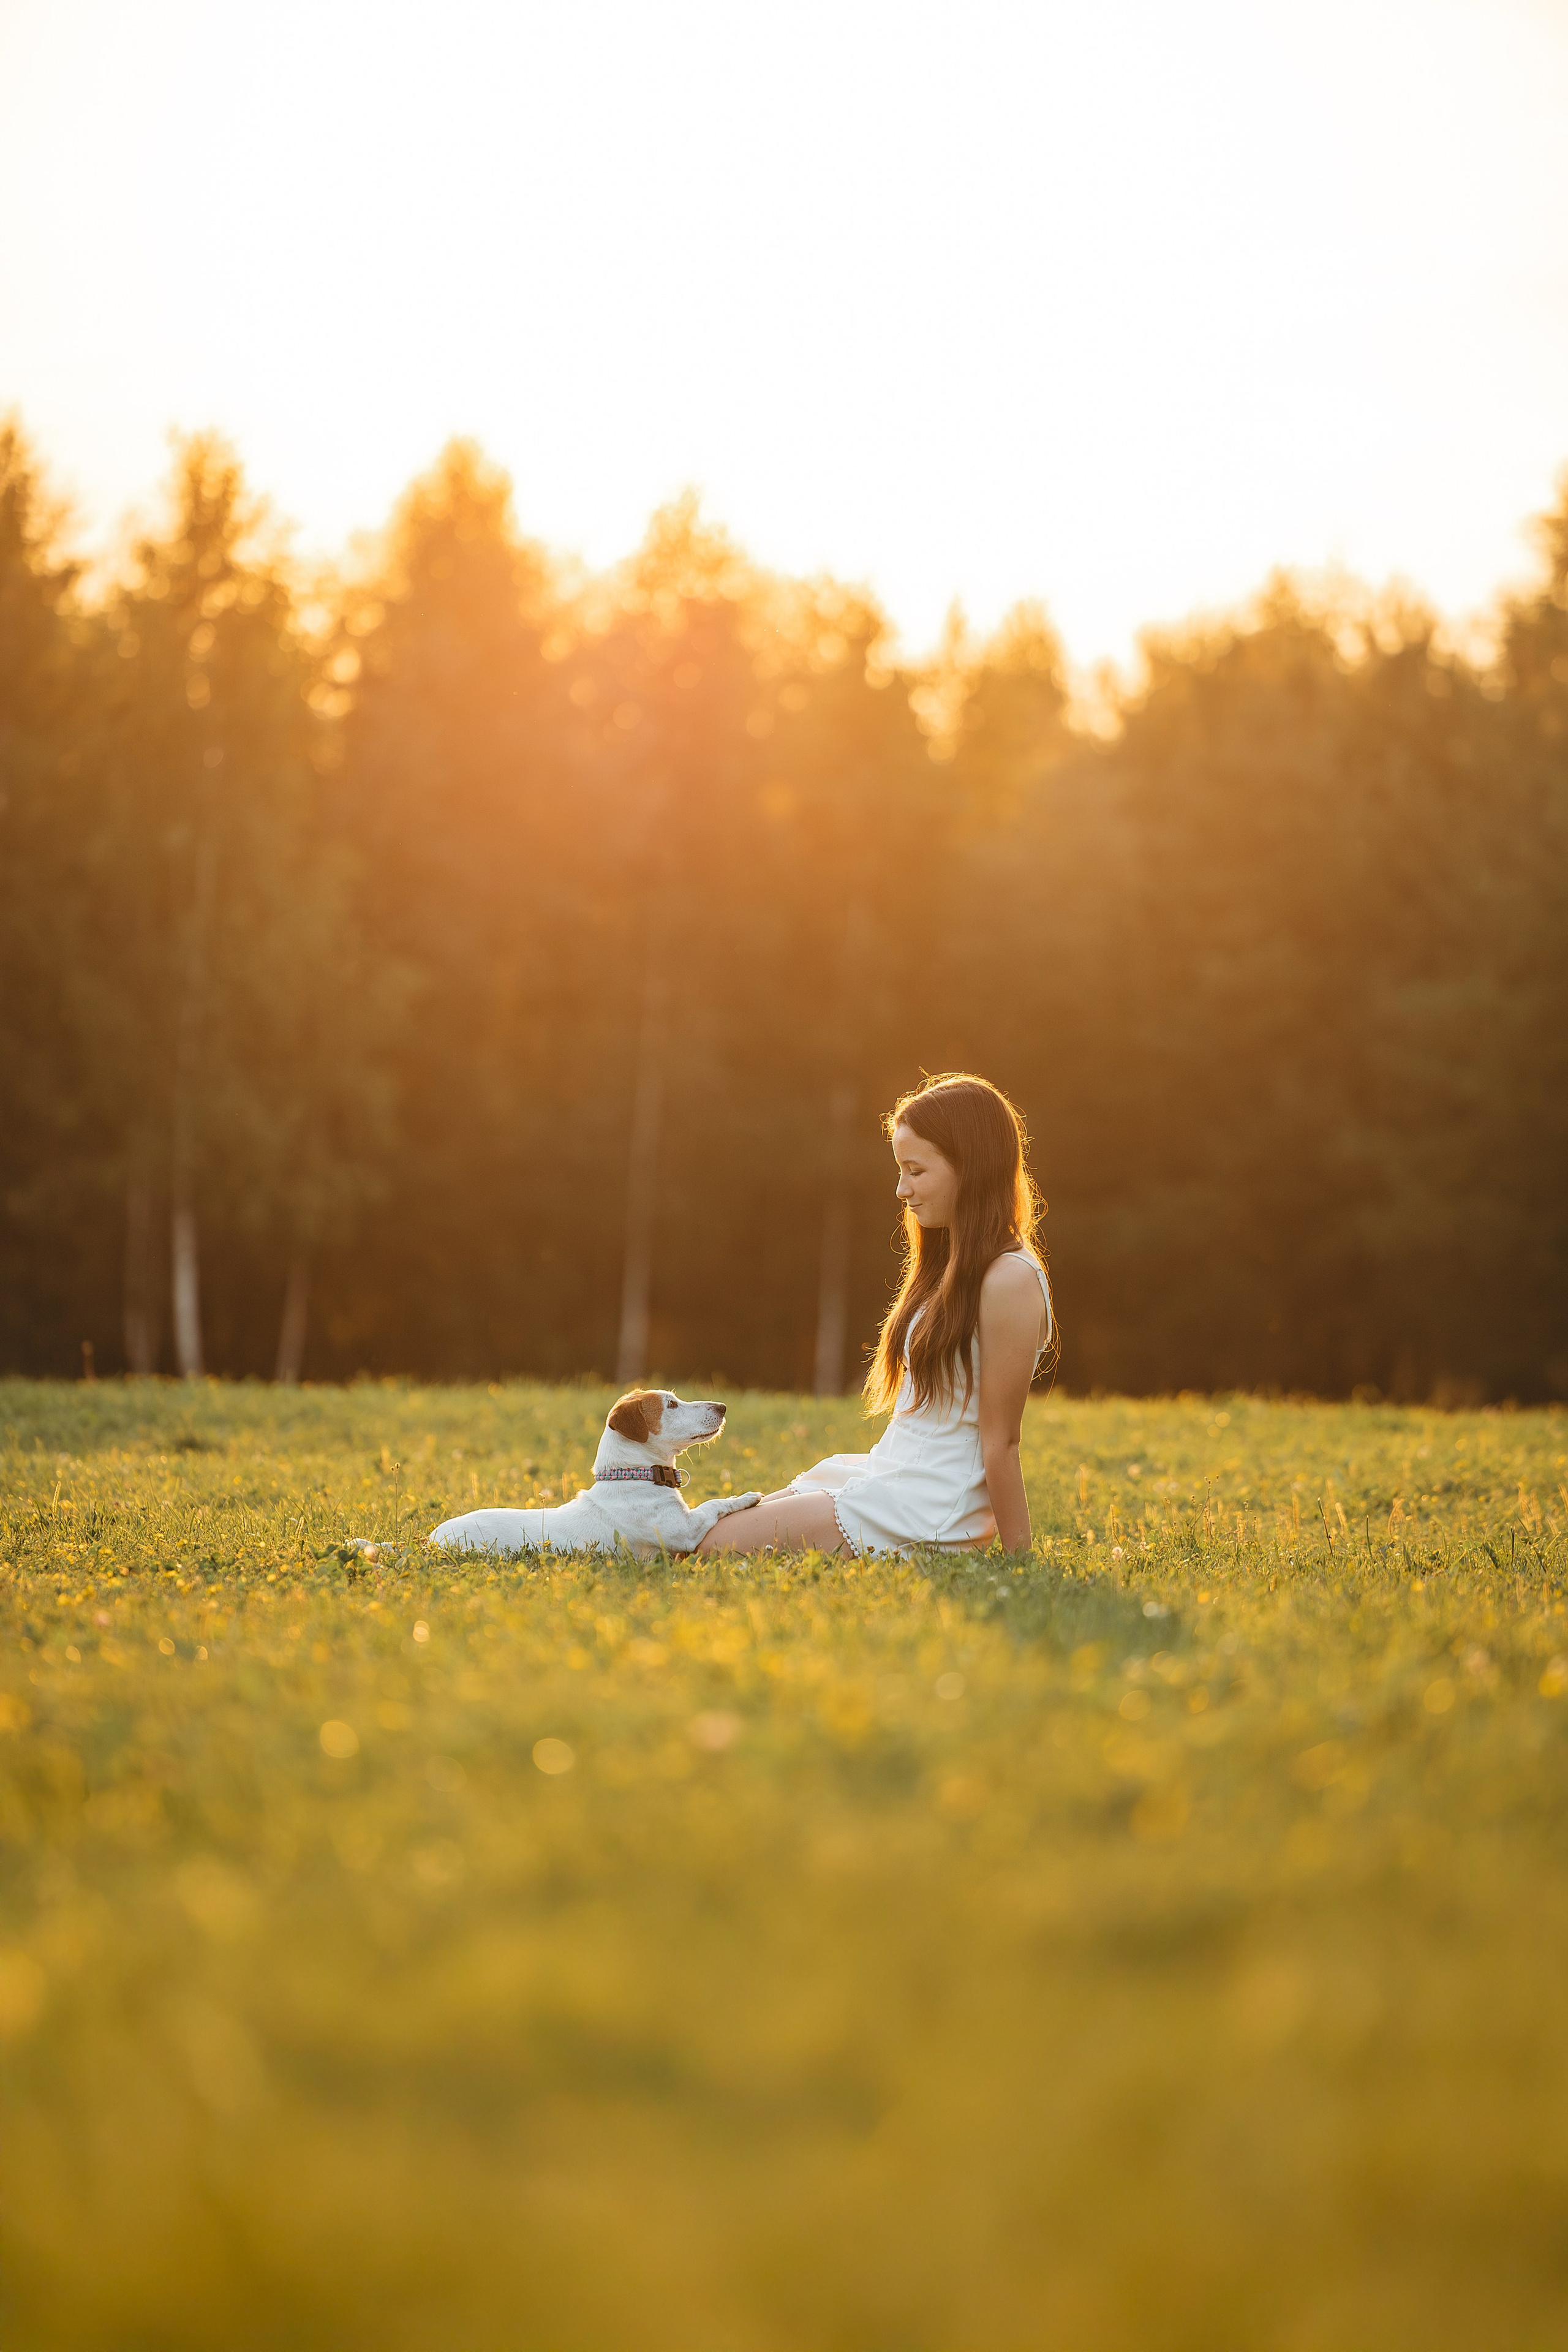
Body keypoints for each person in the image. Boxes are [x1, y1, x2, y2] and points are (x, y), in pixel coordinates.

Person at [697, 1072, 1054, 1557]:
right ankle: (569, 1530)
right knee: (694, 1533)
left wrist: (1023, 1560)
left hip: (929, 1505)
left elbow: (1002, 1441)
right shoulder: (952, 1263)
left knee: (710, 1548)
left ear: (971, 1168)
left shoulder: (1009, 1279)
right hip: (888, 1474)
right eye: (900, 1170)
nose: (901, 1190)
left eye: (916, 1170)